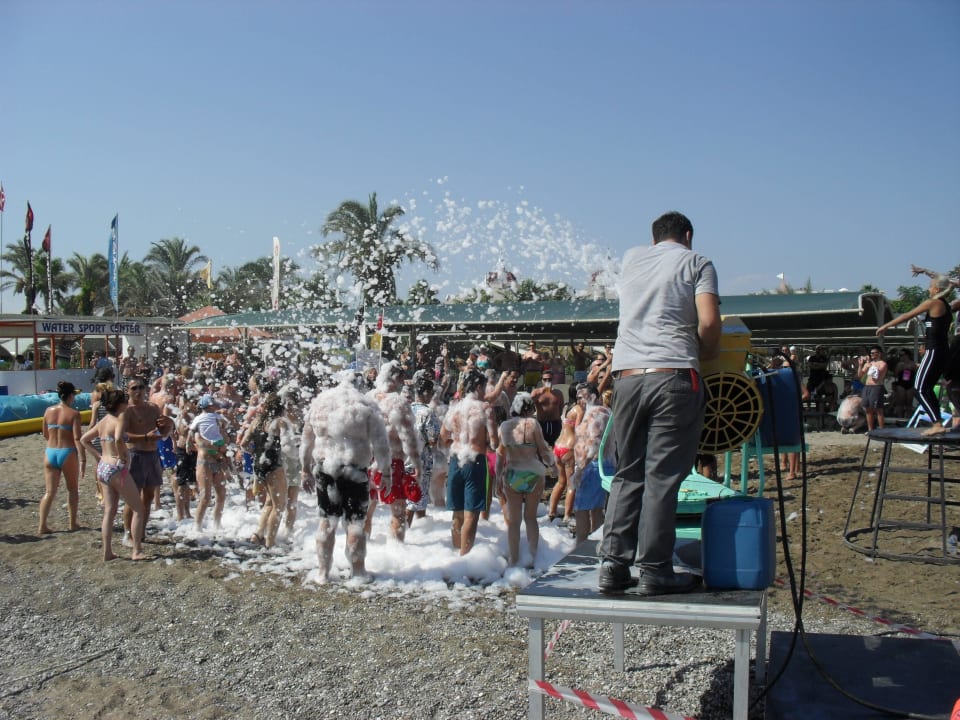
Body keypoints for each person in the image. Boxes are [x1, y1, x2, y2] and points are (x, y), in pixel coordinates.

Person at [598, 210, 721, 595]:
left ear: (653, 241)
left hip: (628, 377)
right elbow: (710, 322)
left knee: (627, 472)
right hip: (674, 375)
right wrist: (708, 351)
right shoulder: (697, 261)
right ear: (688, 235)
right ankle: (654, 570)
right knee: (662, 477)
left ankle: (613, 566)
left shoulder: (633, 259)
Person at [300, 373, 391, 583]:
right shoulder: (366, 404)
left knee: (326, 521)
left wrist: (305, 469)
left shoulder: (320, 402)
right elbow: (381, 444)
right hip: (355, 470)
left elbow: (306, 440)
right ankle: (358, 573)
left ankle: (323, 573)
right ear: (359, 386)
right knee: (355, 523)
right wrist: (386, 473)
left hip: (325, 468)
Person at [878, 273, 953, 435]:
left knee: (919, 388)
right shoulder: (945, 305)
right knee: (926, 388)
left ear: (937, 289)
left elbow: (907, 315)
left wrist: (886, 326)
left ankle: (937, 424)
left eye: (931, 285)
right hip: (940, 351)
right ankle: (937, 422)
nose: (928, 288)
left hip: (935, 351)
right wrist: (924, 270)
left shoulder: (933, 303)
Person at [80, 388, 147, 561]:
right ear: (120, 404)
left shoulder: (104, 421)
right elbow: (118, 438)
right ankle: (137, 550)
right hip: (117, 468)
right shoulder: (120, 417)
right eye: (125, 401)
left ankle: (107, 552)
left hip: (103, 467)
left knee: (109, 511)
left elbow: (84, 439)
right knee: (138, 508)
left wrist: (98, 456)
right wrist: (122, 455)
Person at [440, 369, 498, 556]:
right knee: (471, 515)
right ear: (479, 387)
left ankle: (454, 555)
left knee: (456, 512)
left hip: (456, 460)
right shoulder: (485, 408)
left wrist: (455, 442)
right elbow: (494, 441)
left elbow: (443, 436)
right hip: (475, 461)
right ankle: (465, 559)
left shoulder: (455, 408)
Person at [365, 361, 422, 543]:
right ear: (397, 378)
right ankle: (397, 559)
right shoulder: (397, 402)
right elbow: (409, 438)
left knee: (365, 512)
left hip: (368, 462)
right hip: (393, 461)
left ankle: (363, 555)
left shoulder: (368, 398)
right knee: (398, 513)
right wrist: (417, 464)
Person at [496, 392, 555, 566]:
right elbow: (543, 450)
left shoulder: (504, 427)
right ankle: (531, 558)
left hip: (513, 474)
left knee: (514, 522)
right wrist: (553, 465)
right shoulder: (532, 424)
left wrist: (498, 478)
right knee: (530, 518)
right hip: (533, 474)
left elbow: (500, 454)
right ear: (529, 409)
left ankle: (514, 560)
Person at [121, 377, 174, 545]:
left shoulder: (153, 408)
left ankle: (141, 531)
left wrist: (170, 424)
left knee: (149, 496)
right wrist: (144, 437)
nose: (138, 391)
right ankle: (128, 532)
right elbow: (122, 436)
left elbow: (163, 430)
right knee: (133, 497)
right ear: (127, 391)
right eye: (134, 388)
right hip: (135, 454)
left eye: (141, 387)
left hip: (152, 454)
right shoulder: (126, 411)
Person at [242, 393, 289, 548]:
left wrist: (256, 454)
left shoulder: (256, 421)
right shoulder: (280, 422)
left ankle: (258, 534)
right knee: (279, 506)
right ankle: (270, 542)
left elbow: (243, 444)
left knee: (270, 502)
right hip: (274, 466)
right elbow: (289, 445)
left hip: (259, 465)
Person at [38, 381, 85, 533]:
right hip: (67, 452)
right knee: (72, 489)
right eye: (74, 395)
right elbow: (77, 438)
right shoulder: (74, 414)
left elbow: (45, 433)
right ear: (70, 395)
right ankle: (72, 523)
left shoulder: (48, 411)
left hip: (50, 451)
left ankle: (42, 525)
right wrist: (83, 458)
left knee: (49, 492)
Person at [569, 382, 613, 545]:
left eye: (583, 396)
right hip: (597, 465)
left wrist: (580, 470)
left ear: (593, 396)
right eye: (578, 396)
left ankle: (581, 546)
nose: (579, 399)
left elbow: (595, 442)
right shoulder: (598, 412)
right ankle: (595, 546)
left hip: (592, 466)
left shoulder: (596, 413)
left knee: (581, 508)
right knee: (595, 509)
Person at [407, 374, 440, 527]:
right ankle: (408, 534)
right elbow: (433, 440)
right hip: (421, 461)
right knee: (416, 499)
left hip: (404, 459)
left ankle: (417, 533)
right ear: (426, 393)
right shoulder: (428, 413)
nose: (432, 395)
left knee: (408, 497)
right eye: (431, 392)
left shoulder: (406, 409)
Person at [546, 385, 582, 525]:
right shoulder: (579, 409)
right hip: (569, 448)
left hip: (558, 446)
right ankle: (567, 515)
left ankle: (551, 511)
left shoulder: (567, 406)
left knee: (560, 482)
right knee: (571, 484)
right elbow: (579, 429)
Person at [857, 345, 888, 431]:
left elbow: (876, 376)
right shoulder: (869, 364)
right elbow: (860, 375)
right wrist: (860, 365)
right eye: (871, 353)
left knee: (878, 409)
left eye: (874, 353)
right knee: (868, 409)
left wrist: (870, 365)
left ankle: (882, 430)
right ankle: (870, 429)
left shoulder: (882, 364)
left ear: (879, 353)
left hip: (876, 387)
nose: (872, 354)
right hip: (867, 387)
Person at [530, 368, 564, 447]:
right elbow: (529, 403)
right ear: (541, 380)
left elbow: (561, 407)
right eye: (544, 379)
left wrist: (556, 417)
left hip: (555, 423)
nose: (547, 382)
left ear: (553, 380)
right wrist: (540, 392)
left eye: (549, 379)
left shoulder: (558, 393)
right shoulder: (536, 392)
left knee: (555, 446)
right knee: (540, 446)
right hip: (542, 423)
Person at [891, 349, 918, 419]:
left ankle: (909, 418)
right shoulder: (899, 364)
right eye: (900, 355)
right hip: (901, 384)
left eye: (902, 355)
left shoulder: (912, 363)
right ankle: (900, 418)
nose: (900, 357)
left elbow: (916, 373)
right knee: (900, 403)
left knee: (909, 403)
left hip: (910, 384)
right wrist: (900, 368)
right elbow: (895, 374)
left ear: (907, 355)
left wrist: (912, 368)